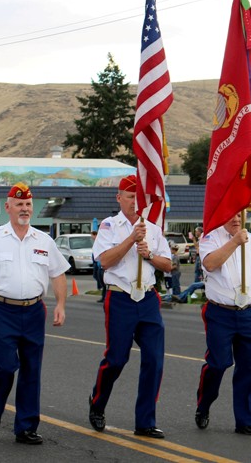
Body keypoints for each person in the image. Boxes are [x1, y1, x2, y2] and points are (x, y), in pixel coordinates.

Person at [0, 182, 69, 445]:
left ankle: (25, 427)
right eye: (19, 204)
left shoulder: (44, 240)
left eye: (28, 205)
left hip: (34, 311)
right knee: (5, 366)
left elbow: (58, 273)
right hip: (2, 311)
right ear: (8, 207)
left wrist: (60, 304)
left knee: (31, 369)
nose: (24, 209)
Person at [88, 174, 171, 439]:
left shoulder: (153, 228)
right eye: (131, 196)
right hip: (121, 297)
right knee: (116, 359)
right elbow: (105, 261)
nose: (135, 202)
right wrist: (131, 240)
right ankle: (97, 403)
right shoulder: (109, 226)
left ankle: (145, 421)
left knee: (154, 360)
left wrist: (149, 254)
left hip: (147, 298)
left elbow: (168, 264)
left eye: (139, 197)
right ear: (119, 198)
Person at [194, 212, 251, 436]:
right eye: (231, 214)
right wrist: (234, 241)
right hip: (220, 313)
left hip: (249, 313)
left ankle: (245, 420)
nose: (237, 218)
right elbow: (210, 264)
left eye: (241, 214)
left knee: (249, 368)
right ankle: (204, 404)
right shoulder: (210, 238)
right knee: (218, 364)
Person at [91, 231, 107, 303]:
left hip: (102, 266)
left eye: (92, 236)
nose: (92, 238)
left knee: (104, 283)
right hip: (98, 265)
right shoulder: (96, 243)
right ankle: (103, 296)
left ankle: (104, 297)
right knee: (99, 279)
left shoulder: (101, 242)